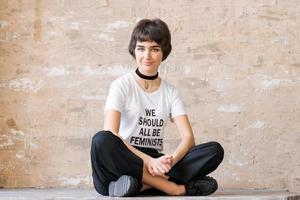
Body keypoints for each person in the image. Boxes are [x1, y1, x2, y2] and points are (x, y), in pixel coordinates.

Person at [90, 18, 224, 197]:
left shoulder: (170, 92)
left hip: (157, 164)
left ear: (164, 53)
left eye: (154, 49)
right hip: (124, 157)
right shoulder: (120, 86)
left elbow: (188, 138)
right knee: (101, 140)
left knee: (214, 150)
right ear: (134, 50)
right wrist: (148, 161)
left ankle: (137, 185)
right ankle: (172, 187)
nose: (147, 56)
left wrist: (169, 161)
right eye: (141, 48)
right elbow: (112, 134)